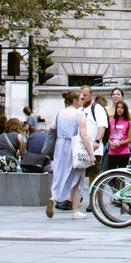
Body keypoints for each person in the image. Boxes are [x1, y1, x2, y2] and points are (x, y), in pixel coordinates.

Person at [46, 91, 95, 220]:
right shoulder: (80, 114)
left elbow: (52, 128)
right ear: (74, 100)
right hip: (74, 146)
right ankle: (76, 211)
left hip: (60, 146)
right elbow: (84, 136)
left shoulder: (60, 113)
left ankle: (54, 197)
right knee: (78, 178)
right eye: (80, 98)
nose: (82, 100)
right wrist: (91, 154)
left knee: (60, 174)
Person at [79, 86, 109, 212]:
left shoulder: (96, 108)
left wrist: (97, 140)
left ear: (91, 95)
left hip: (94, 148)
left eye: (85, 95)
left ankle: (93, 200)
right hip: (81, 148)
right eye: (81, 95)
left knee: (94, 175)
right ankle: (76, 199)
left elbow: (102, 126)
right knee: (79, 174)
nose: (82, 97)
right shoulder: (80, 109)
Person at [107, 101, 131, 170]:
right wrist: (110, 143)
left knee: (121, 175)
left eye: (122, 108)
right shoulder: (111, 122)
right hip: (112, 152)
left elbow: (130, 139)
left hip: (123, 152)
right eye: (118, 107)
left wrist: (120, 143)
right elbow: (107, 136)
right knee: (111, 174)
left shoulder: (129, 123)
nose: (119, 109)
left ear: (125, 110)